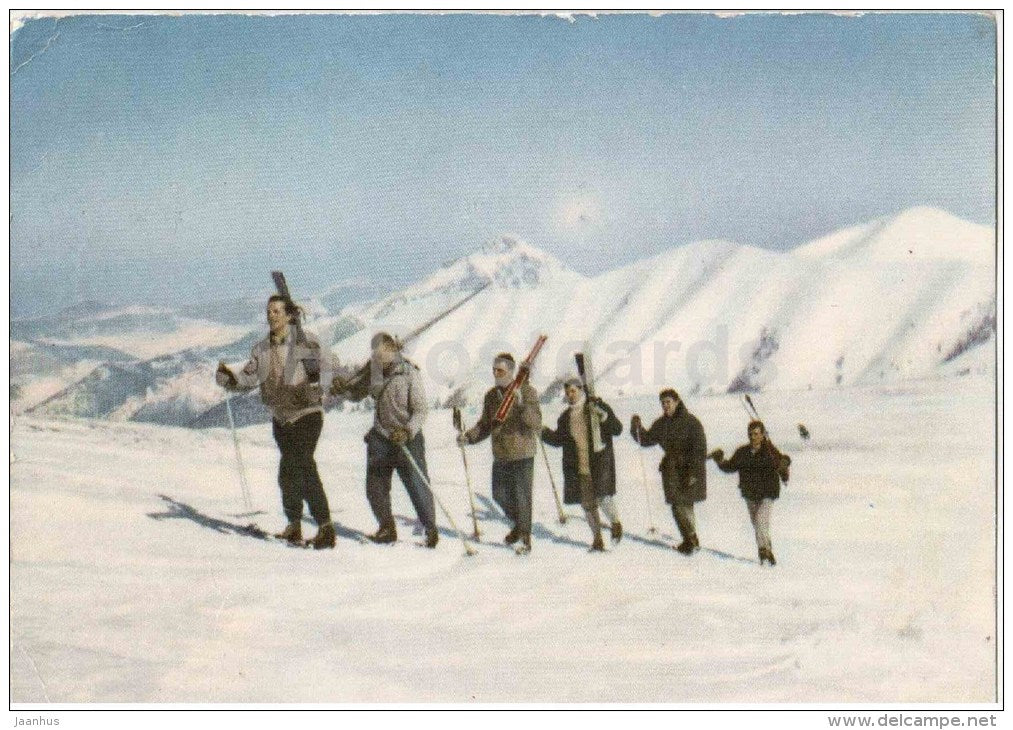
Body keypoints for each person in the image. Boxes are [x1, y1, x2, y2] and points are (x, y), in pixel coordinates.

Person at [215, 294, 339, 549]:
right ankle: (294, 524)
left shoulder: (308, 342)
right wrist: (230, 380)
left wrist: (320, 386)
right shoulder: (261, 349)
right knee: (287, 471)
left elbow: (333, 366)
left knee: (303, 465)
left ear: (290, 315)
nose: (271, 316)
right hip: (281, 418)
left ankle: (325, 526)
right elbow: (249, 379)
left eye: (276, 311)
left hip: (307, 414)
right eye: (269, 311)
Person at [332, 332, 438, 548]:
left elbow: (420, 410)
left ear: (393, 350)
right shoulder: (375, 373)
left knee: (418, 485)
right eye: (375, 354)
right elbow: (357, 393)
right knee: (375, 487)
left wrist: (407, 431)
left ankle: (430, 529)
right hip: (381, 437)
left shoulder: (409, 374)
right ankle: (387, 528)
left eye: (381, 353)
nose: (377, 358)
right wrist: (344, 390)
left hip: (408, 439)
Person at [457, 353, 541, 554]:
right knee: (499, 494)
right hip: (501, 453)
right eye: (494, 370)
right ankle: (519, 525)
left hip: (522, 452)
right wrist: (469, 437)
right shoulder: (491, 396)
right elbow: (485, 424)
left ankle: (525, 538)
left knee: (522, 497)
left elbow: (535, 422)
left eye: (500, 370)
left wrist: (521, 405)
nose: (496, 374)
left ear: (511, 372)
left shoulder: (527, 392)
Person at [541, 377, 623, 551]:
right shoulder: (565, 417)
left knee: (602, 497)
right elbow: (558, 440)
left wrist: (604, 417)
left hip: (599, 463)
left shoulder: (596, 408)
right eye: (567, 392)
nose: (570, 395)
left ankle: (615, 522)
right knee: (587, 504)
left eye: (573, 391)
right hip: (578, 467)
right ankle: (597, 539)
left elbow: (617, 429)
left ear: (581, 391)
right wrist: (542, 432)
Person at [631, 389, 707, 555]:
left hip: (689, 468)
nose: (665, 406)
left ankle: (690, 540)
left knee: (684, 504)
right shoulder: (661, 424)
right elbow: (646, 439)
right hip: (671, 469)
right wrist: (636, 427)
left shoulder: (691, 422)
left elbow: (700, 449)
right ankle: (691, 538)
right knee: (678, 504)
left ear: (677, 401)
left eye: (668, 402)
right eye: (663, 402)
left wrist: (694, 473)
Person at [709, 420, 791, 566]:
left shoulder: (770, 451)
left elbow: (783, 461)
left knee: (760, 521)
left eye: (756, 434)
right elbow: (730, 467)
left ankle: (764, 552)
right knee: (758, 524)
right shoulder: (742, 452)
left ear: (762, 435)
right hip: (750, 493)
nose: (753, 437)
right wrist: (720, 460)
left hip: (767, 492)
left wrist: (784, 466)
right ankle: (767, 549)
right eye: (750, 434)